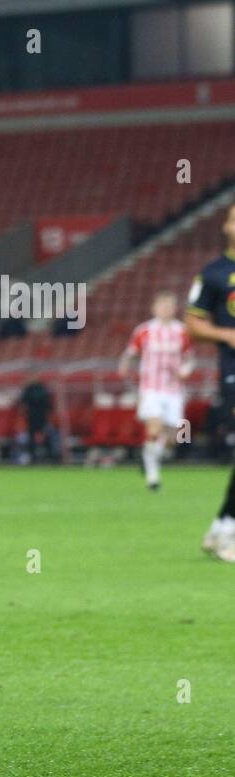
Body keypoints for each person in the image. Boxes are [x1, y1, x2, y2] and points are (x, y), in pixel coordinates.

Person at [184, 203, 235, 562]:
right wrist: (227, 335)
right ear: (226, 226)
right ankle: (227, 534)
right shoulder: (214, 274)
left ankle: (220, 528)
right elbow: (193, 323)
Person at [119, 291, 193, 492]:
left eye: (169, 306)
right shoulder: (144, 331)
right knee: (154, 428)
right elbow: (131, 353)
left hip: (174, 390)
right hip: (151, 388)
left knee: (173, 438)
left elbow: (189, 358)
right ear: (154, 308)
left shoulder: (182, 331)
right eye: (161, 306)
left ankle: (148, 456)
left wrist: (185, 371)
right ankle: (153, 476)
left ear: (174, 309)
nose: (165, 309)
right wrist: (125, 364)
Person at [16, 379, 58, 463]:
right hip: (40, 418)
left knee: (40, 438)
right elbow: (50, 406)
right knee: (43, 438)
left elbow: (21, 404)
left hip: (35, 418)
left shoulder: (30, 390)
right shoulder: (42, 390)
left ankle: (38, 457)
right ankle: (51, 458)